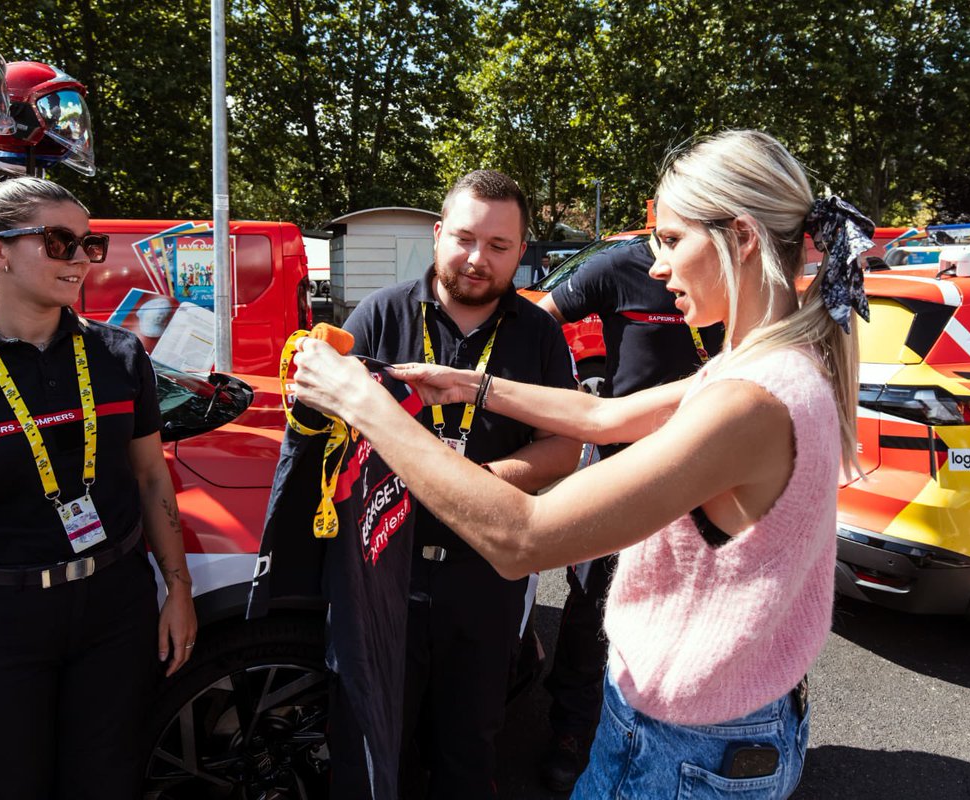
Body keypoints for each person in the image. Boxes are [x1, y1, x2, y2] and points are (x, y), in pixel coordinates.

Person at [293, 130, 874, 799]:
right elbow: (604, 418)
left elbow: (523, 537)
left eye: (674, 240)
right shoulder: (762, 365)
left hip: (690, 748)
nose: (656, 268)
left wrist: (365, 405)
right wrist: (467, 384)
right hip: (678, 722)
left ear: (741, 237)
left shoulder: (752, 399)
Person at [0, 176, 198, 800]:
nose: (80, 258)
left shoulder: (119, 355)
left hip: (114, 610)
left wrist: (177, 587)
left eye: (88, 243)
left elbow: (152, 474)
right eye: (58, 242)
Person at [340, 169, 580, 798]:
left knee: (468, 751)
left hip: (485, 577)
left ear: (521, 253)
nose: (478, 259)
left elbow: (565, 444)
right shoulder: (379, 315)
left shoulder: (539, 333)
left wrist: (471, 485)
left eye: (500, 247)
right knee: (376, 749)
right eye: (466, 238)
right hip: (386, 570)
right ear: (439, 233)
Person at [535, 235, 724, 791]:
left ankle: (664, 724)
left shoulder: (729, 276)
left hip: (705, 462)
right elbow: (539, 318)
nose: (665, 263)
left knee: (687, 601)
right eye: (663, 234)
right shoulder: (620, 264)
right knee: (594, 594)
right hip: (623, 463)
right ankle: (572, 725)